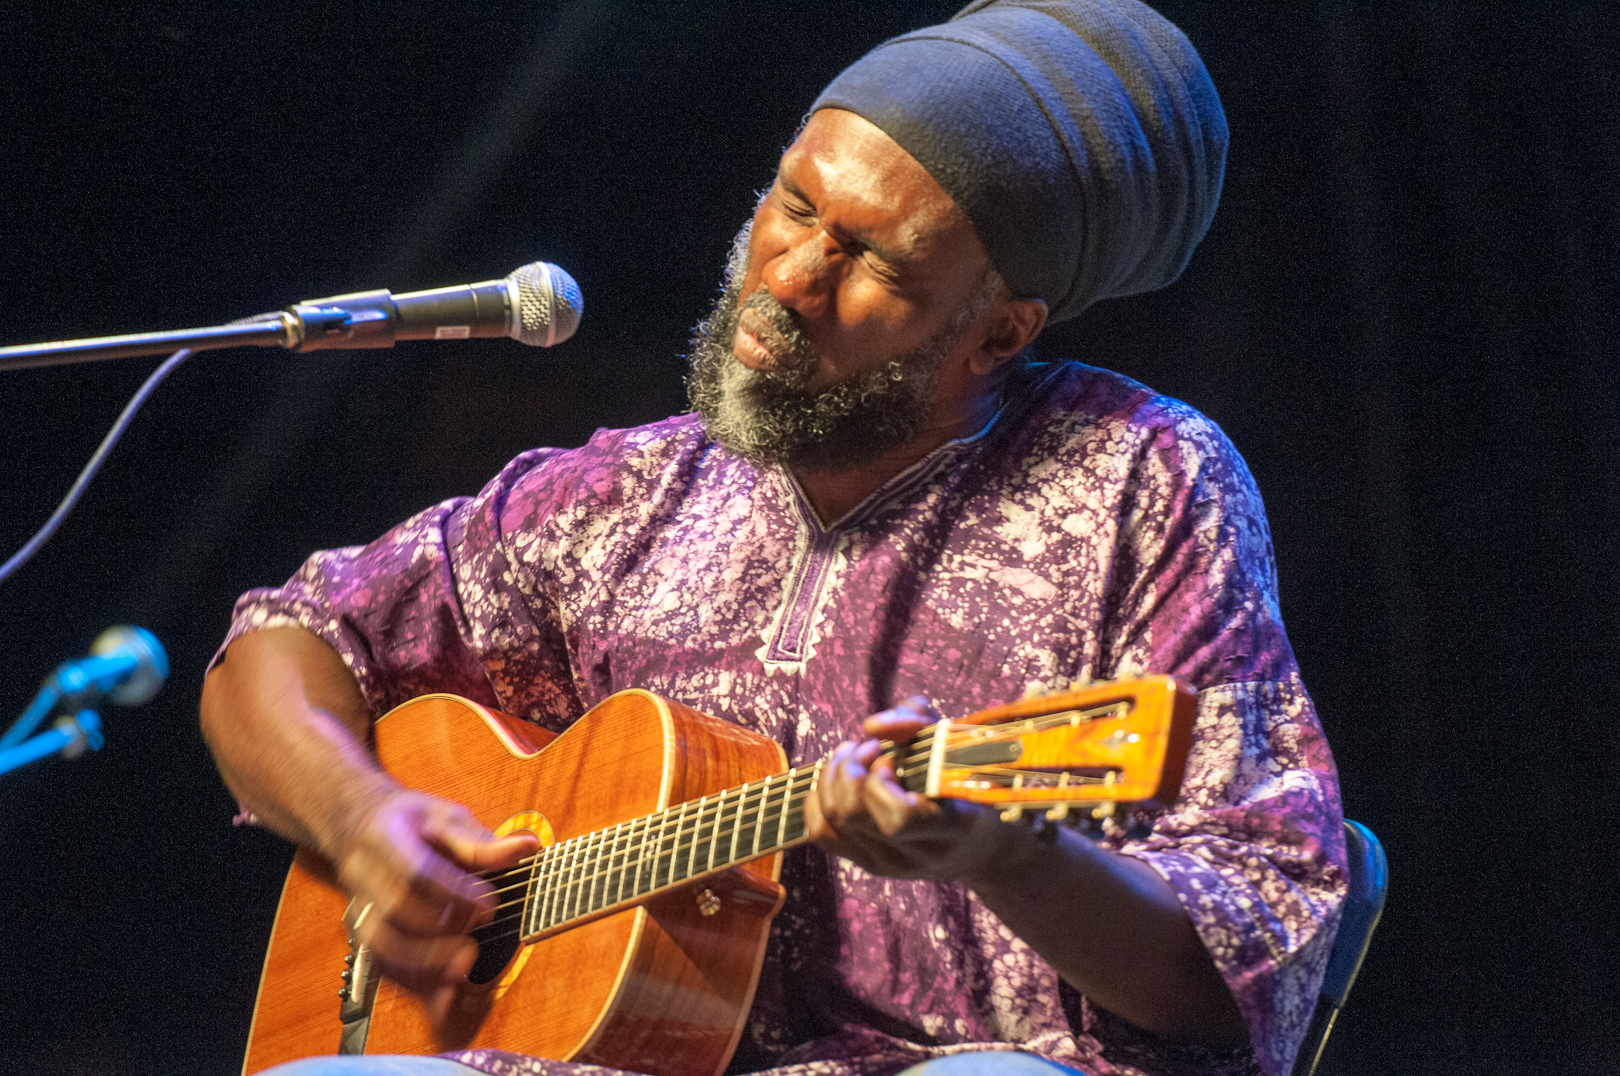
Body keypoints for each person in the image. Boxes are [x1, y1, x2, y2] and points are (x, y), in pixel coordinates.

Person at [200, 3, 1345, 1076]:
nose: (790, 279)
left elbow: (1250, 957)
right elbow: (287, 644)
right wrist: (365, 821)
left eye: (877, 263)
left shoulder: (1140, 481)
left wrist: (1006, 854)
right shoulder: (633, 491)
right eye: (793, 207)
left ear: (996, 332)